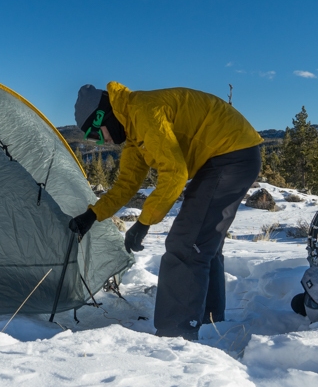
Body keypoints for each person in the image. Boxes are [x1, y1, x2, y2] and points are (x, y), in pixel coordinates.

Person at [68, 82, 263, 340]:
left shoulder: (144, 112)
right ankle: (209, 321)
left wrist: (144, 222)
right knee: (202, 243)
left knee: (186, 244)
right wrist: (92, 215)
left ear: (103, 116)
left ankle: (176, 333)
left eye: (97, 134)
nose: (101, 142)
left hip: (231, 156)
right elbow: (126, 185)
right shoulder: (135, 134)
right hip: (229, 156)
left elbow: (175, 173)